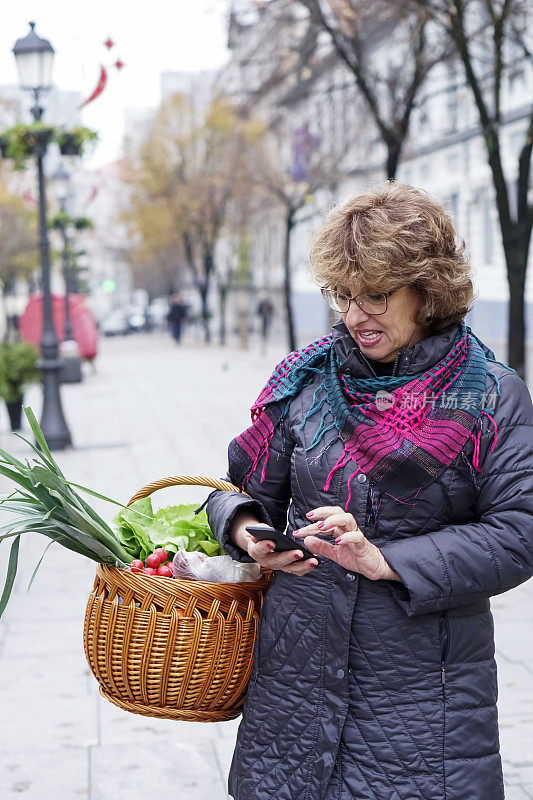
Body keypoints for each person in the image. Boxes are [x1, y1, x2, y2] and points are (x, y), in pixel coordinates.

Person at [206, 183, 533, 800]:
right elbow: (233, 491)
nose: (356, 316)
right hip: (295, 687)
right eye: (345, 296)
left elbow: (520, 530)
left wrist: (386, 561)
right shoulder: (305, 381)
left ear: (427, 290)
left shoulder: (490, 393)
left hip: (421, 704)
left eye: (377, 295)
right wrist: (249, 533)